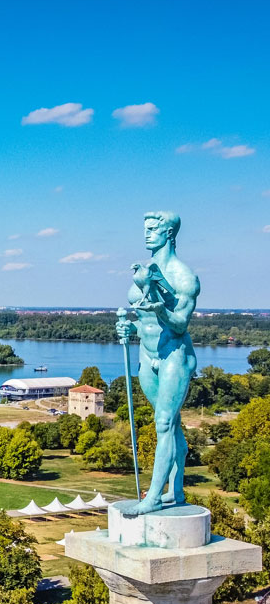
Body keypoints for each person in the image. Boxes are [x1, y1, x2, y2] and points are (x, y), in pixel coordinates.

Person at [116, 211, 199, 515]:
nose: (146, 234)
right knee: (171, 424)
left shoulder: (184, 277)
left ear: (169, 234)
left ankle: (152, 496)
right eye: (145, 229)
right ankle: (176, 491)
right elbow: (143, 321)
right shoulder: (145, 270)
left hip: (174, 355)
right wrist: (129, 329)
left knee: (163, 423)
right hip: (146, 354)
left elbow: (178, 325)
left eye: (153, 229)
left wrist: (161, 310)